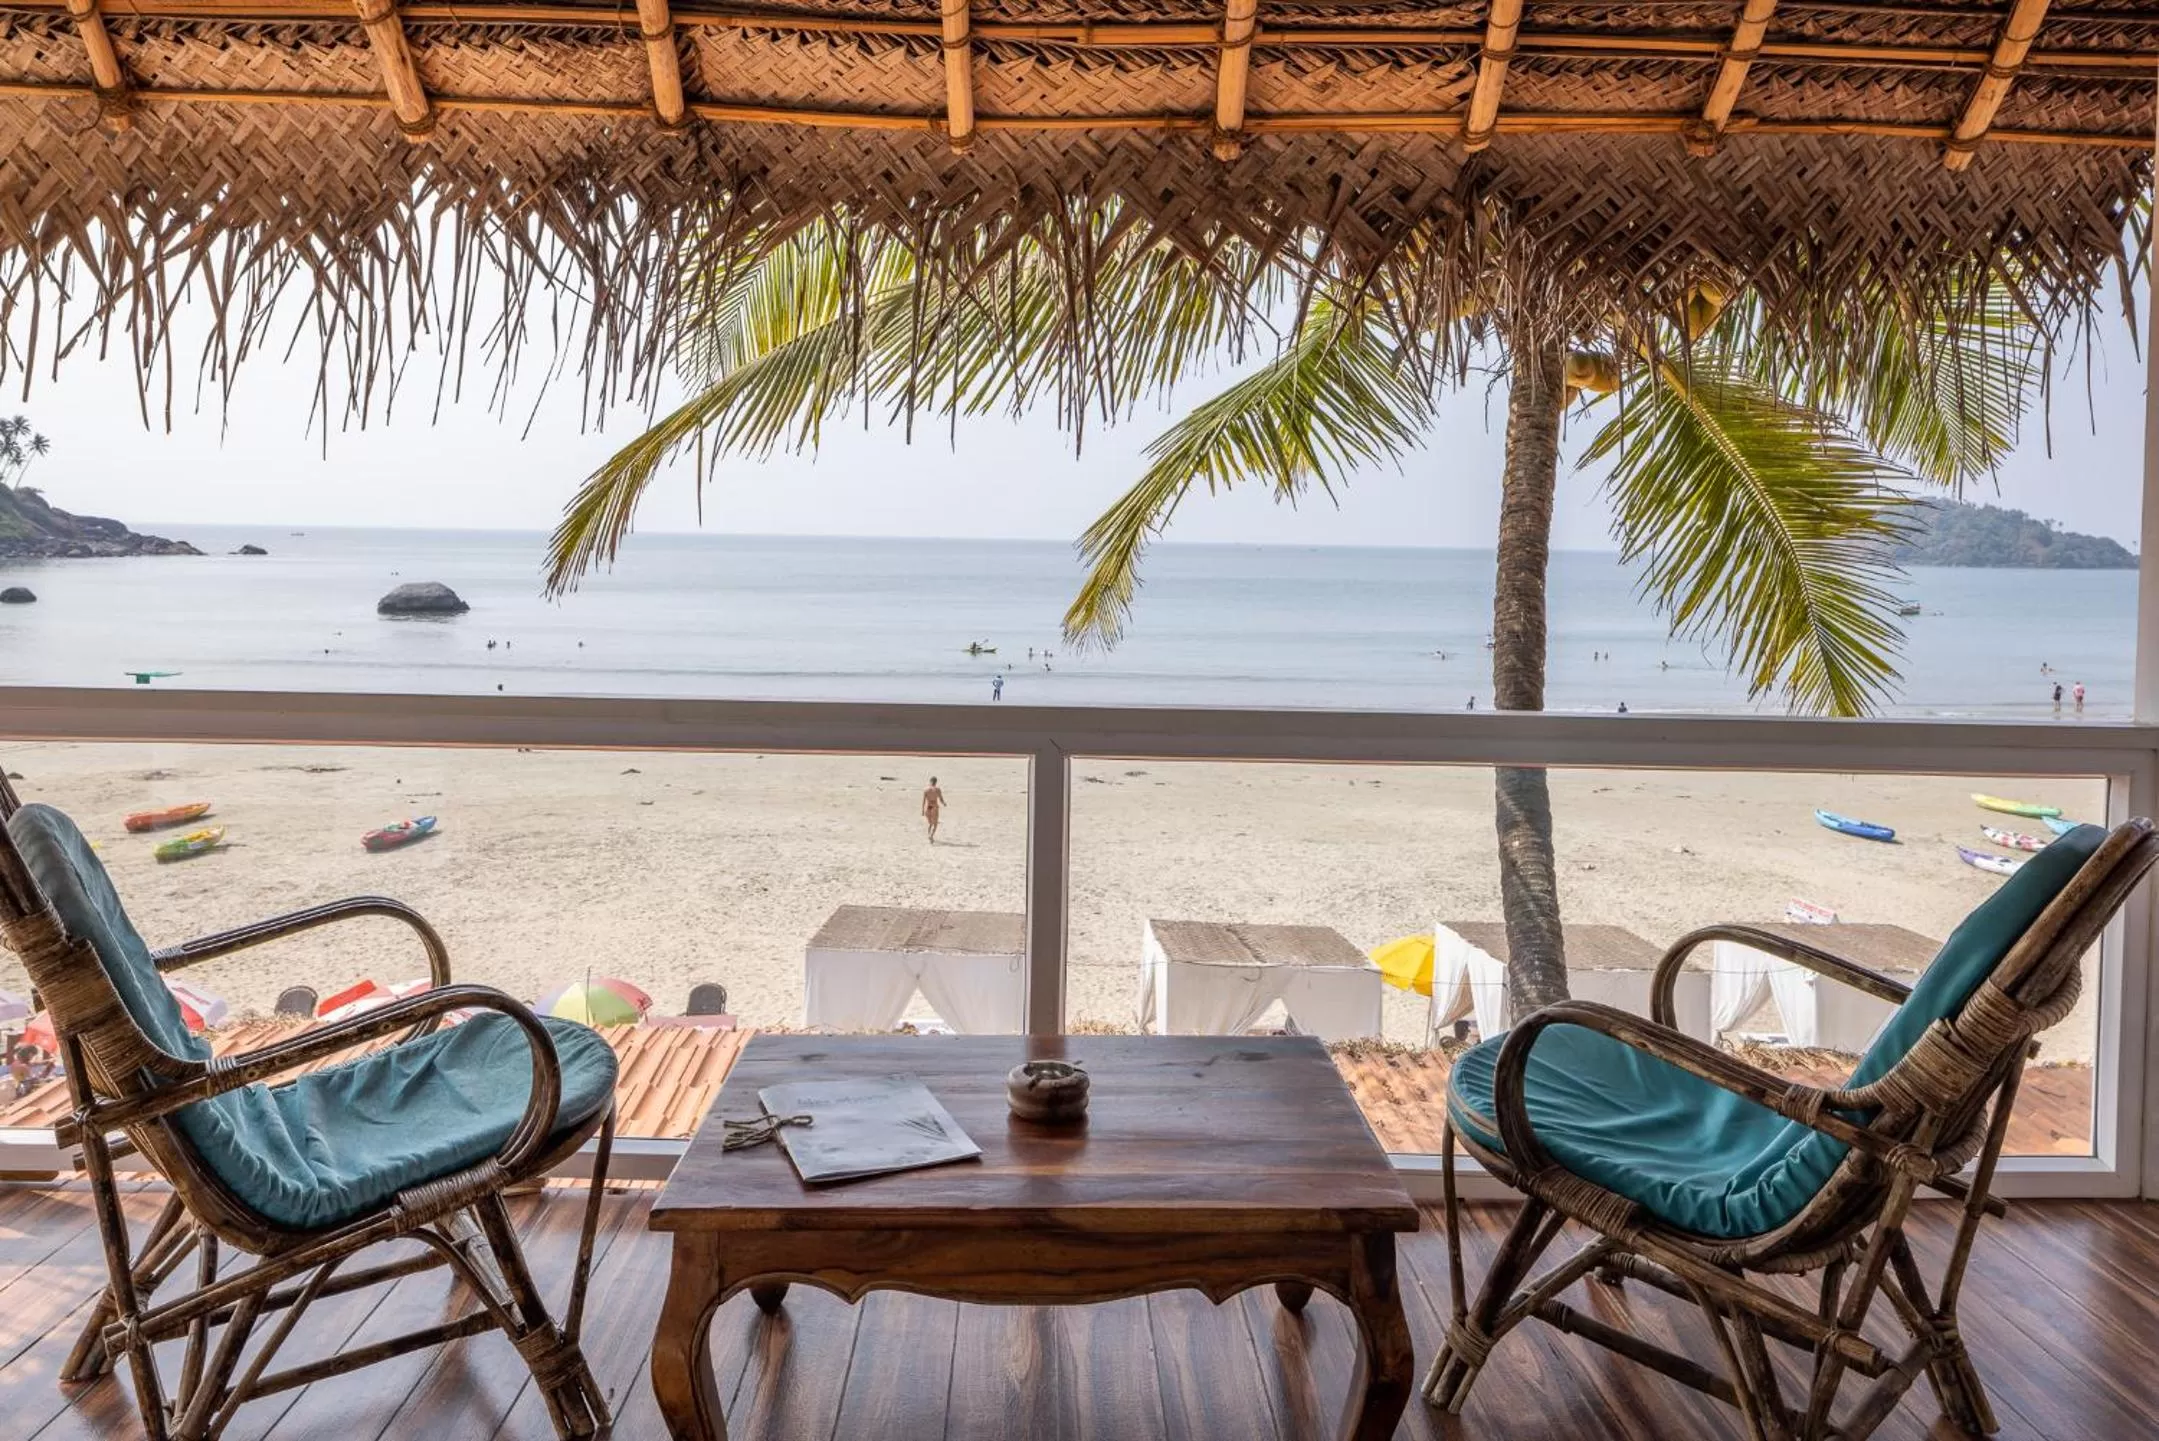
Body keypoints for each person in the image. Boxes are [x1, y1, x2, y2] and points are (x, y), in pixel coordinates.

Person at [921, 777, 946, 843]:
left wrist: (922, 810)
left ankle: (929, 835)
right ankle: (931, 836)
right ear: (936, 782)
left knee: (930, 823)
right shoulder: (937, 789)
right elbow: (941, 799)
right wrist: (944, 803)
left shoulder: (926, 790)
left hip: (928, 807)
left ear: (930, 781)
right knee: (935, 824)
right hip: (934, 807)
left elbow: (923, 801)